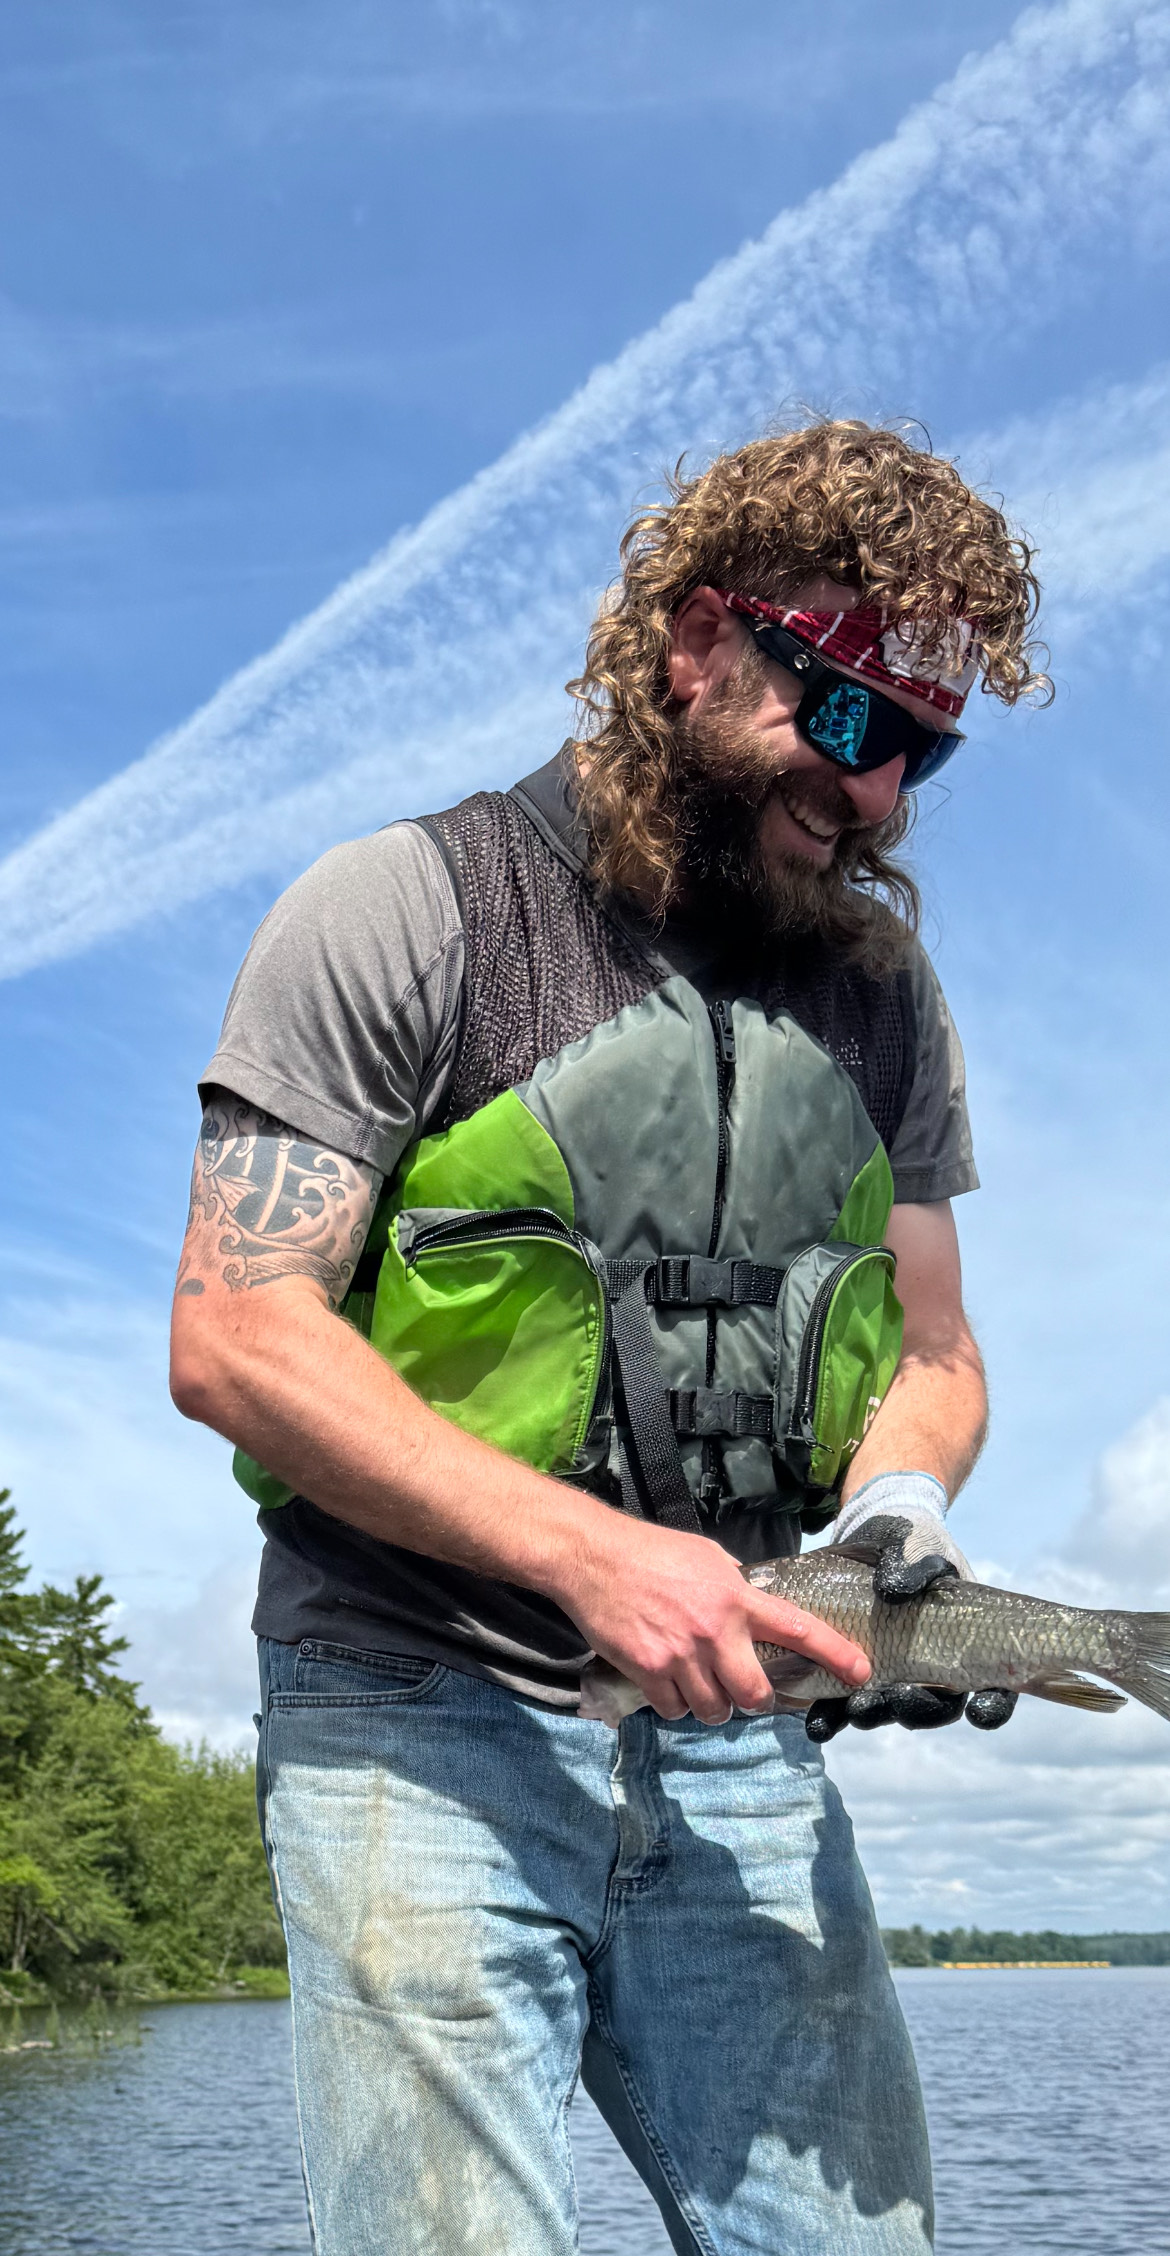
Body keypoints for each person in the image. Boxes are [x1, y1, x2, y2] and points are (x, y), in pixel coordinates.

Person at [171, 418, 1046, 2255]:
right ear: (693, 646)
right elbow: (238, 1331)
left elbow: (937, 1348)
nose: (876, 795)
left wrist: (895, 1509)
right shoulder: (411, 910)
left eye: (922, 756)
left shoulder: (881, 998)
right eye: (847, 717)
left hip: (742, 1742)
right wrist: (593, 1554)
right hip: (414, 1708)